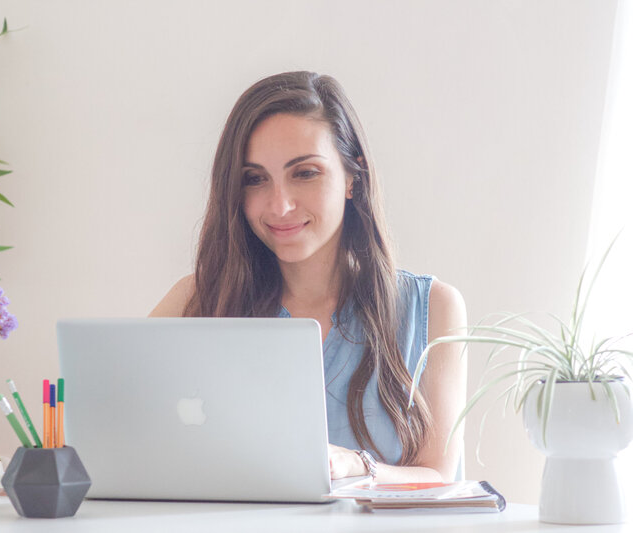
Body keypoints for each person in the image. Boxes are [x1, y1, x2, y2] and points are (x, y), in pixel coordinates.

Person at [150, 71, 467, 483]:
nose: (279, 205)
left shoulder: (432, 309)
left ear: (354, 177)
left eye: (305, 173)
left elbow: (440, 477)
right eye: (255, 179)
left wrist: (358, 465)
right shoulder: (196, 299)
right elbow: (116, 419)